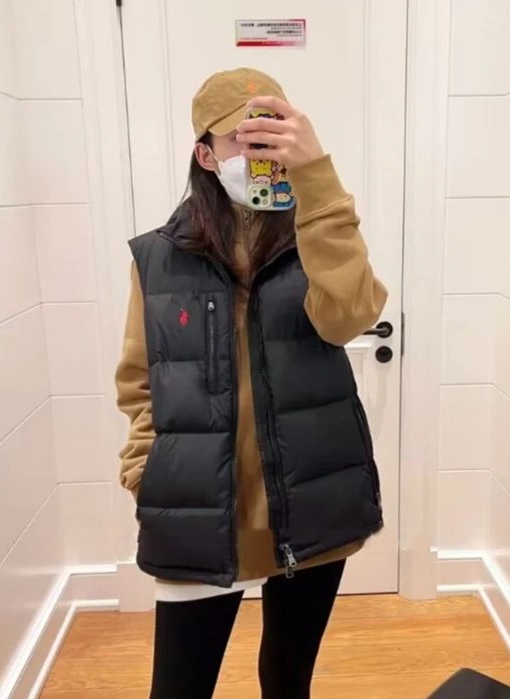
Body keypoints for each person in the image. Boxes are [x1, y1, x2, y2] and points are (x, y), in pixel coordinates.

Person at [115, 67, 387, 699]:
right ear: (206, 156)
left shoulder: (319, 234)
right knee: (178, 688)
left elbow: (349, 316)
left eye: (275, 133)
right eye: (245, 138)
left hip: (310, 501)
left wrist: (317, 179)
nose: (261, 150)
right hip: (201, 510)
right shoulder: (159, 256)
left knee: (288, 681)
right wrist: (145, 471)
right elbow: (140, 378)